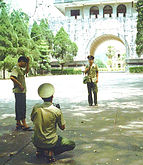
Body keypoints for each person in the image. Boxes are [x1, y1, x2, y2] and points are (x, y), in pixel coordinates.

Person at [31, 83, 75, 162]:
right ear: (52, 96)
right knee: (71, 144)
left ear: (41, 97)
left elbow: (32, 119)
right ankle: (50, 152)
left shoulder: (36, 107)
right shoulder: (56, 110)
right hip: (50, 142)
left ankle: (40, 150)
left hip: (36, 141)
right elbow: (62, 127)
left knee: (36, 137)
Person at [10, 56, 32, 131]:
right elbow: (12, 77)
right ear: (21, 61)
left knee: (18, 107)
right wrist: (20, 85)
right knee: (22, 107)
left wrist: (28, 62)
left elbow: (26, 71)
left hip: (20, 91)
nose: (25, 65)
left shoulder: (20, 69)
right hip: (19, 91)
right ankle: (24, 124)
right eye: (25, 63)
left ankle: (18, 123)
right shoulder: (16, 68)